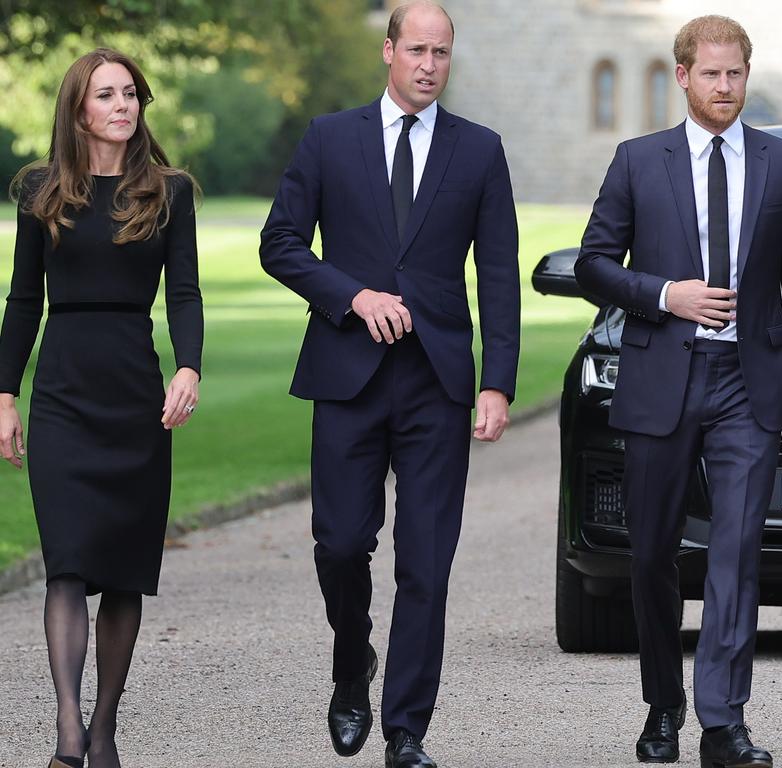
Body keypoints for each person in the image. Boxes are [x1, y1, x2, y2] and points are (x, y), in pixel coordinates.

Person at [259, 2, 519, 766]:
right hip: (347, 375)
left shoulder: (479, 151)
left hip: (437, 381)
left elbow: (498, 275)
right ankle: (351, 660)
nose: (429, 65)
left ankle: (407, 729)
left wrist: (497, 382)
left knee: (426, 562)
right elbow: (281, 243)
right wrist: (351, 295)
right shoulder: (329, 138)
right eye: (416, 50)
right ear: (389, 51)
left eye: (442, 52)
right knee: (340, 545)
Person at [575, 14, 782, 767]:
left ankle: (724, 721)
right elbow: (594, 263)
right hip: (661, 377)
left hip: (746, 386)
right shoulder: (636, 161)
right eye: (711, 74)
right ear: (682, 76)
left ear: (747, 75)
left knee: (737, 552)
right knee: (651, 552)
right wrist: (664, 295)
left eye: (736, 73)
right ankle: (664, 703)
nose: (725, 87)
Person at [0, 49, 202, 768]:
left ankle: (106, 728)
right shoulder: (39, 191)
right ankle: (67, 734)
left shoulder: (170, 192)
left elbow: (184, 292)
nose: (123, 105)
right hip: (61, 395)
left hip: (134, 398)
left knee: (122, 570)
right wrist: (4, 395)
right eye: (106, 95)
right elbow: (23, 300)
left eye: (130, 94)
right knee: (67, 567)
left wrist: (188, 366)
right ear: (79, 110)